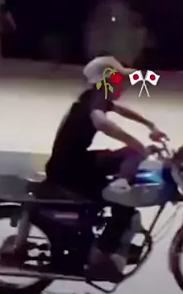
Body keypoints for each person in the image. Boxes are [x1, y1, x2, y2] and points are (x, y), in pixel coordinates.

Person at [45, 55, 168, 280]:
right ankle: (104, 253)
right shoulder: (96, 98)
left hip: (73, 161)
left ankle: (108, 241)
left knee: (128, 157)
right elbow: (101, 122)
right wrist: (138, 145)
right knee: (123, 191)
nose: (123, 84)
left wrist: (150, 125)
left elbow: (121, 111)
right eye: (118, 79)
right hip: (69, 169)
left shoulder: (94, 96)